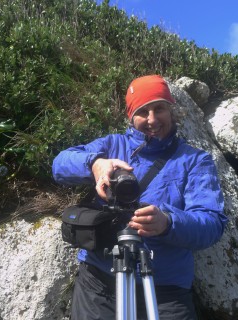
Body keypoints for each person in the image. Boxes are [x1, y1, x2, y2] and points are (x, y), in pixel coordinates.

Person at [52, 75, 228, 320]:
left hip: (165, 290)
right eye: (143, 111)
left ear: (172, 110)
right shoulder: (113, 145)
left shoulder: (195, 161)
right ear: (130, 116)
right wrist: (95, 164)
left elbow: (212, 224)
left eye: (159, 108)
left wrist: (168, 222)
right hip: (100, 282)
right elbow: (59, 165)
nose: (152, 119)